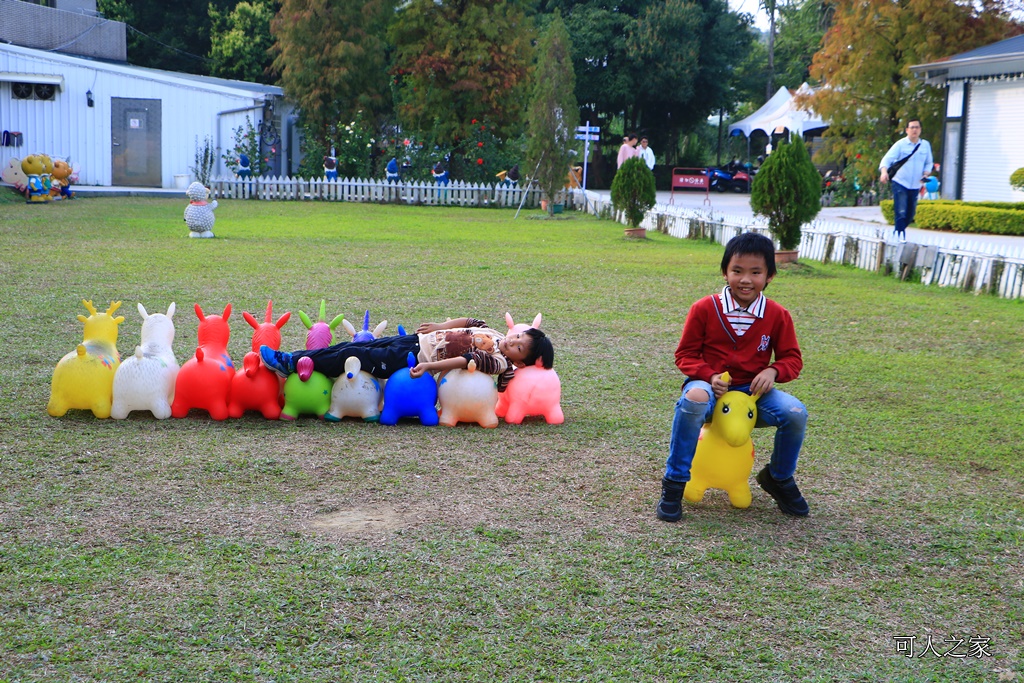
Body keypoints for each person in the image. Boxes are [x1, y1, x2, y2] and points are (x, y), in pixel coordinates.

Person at [656, 232, 809, 522]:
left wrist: (773, 370)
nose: (745, 279)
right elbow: (685, 355)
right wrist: (708, 375)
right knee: (694, 398)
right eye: (737, 271)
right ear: (725, 272)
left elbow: (793, 359)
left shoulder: (778, 315)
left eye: (756, 272)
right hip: (710, 388)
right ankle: (674, 482)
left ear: (770, 276)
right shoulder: (704, 308)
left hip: (751, 396)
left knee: (795, 413)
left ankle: (779, 477)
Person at [260, 316, 554, 392]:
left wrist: (429, 368)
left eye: (517, 347)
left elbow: (468, 361)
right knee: (353, 347)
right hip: (414, 340)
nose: (510, 341)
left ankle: (289, 363)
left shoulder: (499, 362)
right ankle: (294, 356)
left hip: (414, 359)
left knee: (354, 356)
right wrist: (440, 325)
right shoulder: (497, 335)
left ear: (519, 360)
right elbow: (469, 322)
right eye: (517, 336)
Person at [879, 119, 934, 243]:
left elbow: (929, 162)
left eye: (917, 127)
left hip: (915, 185)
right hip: (900, 182)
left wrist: (926, 172)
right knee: (901, 210)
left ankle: (897, 233)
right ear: (907, 130)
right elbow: (886, 160)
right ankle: (899, 236)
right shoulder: (900, 144)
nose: (914, 130)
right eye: (912, 127)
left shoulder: (925, 145)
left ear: (920, 129)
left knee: (910, 214)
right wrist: (884, 172)